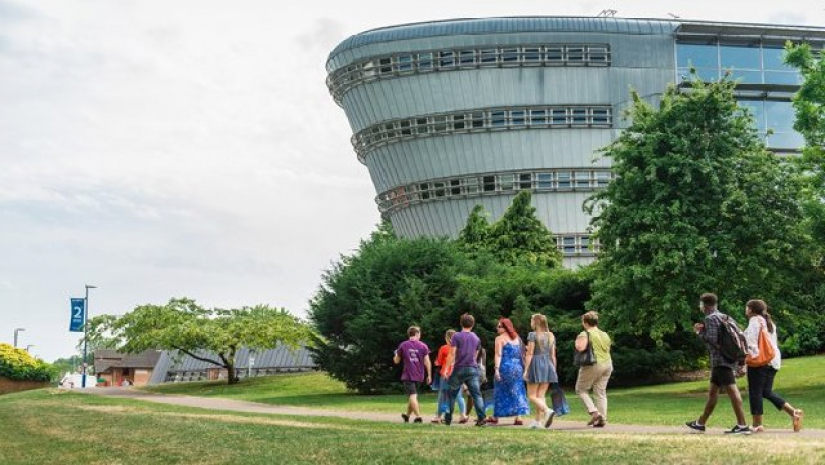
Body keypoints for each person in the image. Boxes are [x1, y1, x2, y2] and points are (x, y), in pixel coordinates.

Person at [686, 293, 751, 434]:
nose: (699, 306)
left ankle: (742, 425)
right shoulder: (723, 316)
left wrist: (699, 332)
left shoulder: (710, 318)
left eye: (700, 304)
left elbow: (712, 340)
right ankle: (700, 423)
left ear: (705, 305)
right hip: (724, 360)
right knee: (712, 393)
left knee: (732, 391)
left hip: (721, 360)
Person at [743, 299, 804, 433]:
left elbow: (752, 343)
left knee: (755, 392)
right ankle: (794, 413)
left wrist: (749, 360)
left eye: (747, 307)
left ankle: (757, 424)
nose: (745, 309)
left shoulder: (754, 321)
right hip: (773, 360)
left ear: (751, 310)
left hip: (760, 361)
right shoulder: (768, 322)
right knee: (766, 392)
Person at [444, 313, 487, 427]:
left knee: (452, 395)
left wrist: (446, 370)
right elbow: (475, 354)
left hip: (459, 368)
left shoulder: (456, 336)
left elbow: (452, 353)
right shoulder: (476, 338)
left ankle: (448, 419)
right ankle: (482, 418)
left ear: (461, 323)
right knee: (476, 395)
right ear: (472, 324)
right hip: (472, 369)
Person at [575, 310, 613, 428]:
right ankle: (602, 418)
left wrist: (576, 342)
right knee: (600, 392)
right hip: (607, 364)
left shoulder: (585, 333)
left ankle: (595, 413)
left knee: (581, 389)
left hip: (593, 364)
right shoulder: (604, 334)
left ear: (585, 322)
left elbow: (581, 347)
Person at [490, 317, 530, 426]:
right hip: (517, 368)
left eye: (499, 326)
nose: (497, 328)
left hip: (505, 367)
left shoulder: (499, 339)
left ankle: (496, 416)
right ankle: (519, 417)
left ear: (505, 328)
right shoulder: (517, 338)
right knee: (517, 390)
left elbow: (498, 354)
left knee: (500, 390)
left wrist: (497, 369)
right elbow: (524, 352)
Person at [523, 313, 558, 429]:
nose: (530, 322)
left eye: (531, 320)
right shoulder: (551, 335)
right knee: (540, 395)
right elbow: (553, 355)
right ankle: (538, 421)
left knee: (531, 396)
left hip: (536, 364)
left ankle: (547, 410)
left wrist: (526, 370)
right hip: (548, 364)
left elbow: (530, 353)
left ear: (536, 322)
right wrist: (554, 369)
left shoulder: (532, 335)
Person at [393, 326, 432, 424]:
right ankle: (407, 416)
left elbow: (396, 361)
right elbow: (427, 362)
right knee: (413, 396)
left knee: (412, 396)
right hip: (419, 375)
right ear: (417, 334)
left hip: (408, 375)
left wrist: (395, 354)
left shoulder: (403, 345)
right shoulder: (423, 346)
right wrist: (429, 375)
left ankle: (418, 417)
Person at [431, 329, 468, 424]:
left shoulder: (444, 348)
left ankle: (438, 416)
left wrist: (436, 362)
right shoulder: (461, 348)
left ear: (447, 338)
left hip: (446, 374)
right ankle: (463, 415)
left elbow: (438, 362)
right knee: (459, 396)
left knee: (442, 395)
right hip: (458, 374)